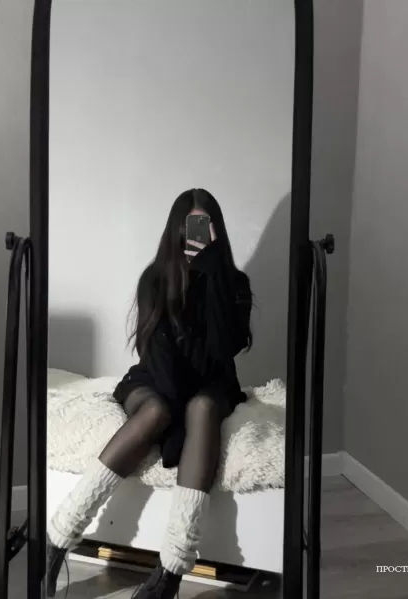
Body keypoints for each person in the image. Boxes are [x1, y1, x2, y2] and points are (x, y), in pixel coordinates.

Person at [46, 188, 253, 598]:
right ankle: (57, 539)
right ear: (176, 229)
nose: (196, 233)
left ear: (217, 231)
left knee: (204, 407)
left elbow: (222, 350)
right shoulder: (155, 279)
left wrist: (210, 273)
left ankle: (169, 574)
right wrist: (175, 426)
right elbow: (155, 355)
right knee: (157, 411)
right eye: (190, 225)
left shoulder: (234, 284)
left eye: (205, 224)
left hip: (212, 383)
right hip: (155, 378)